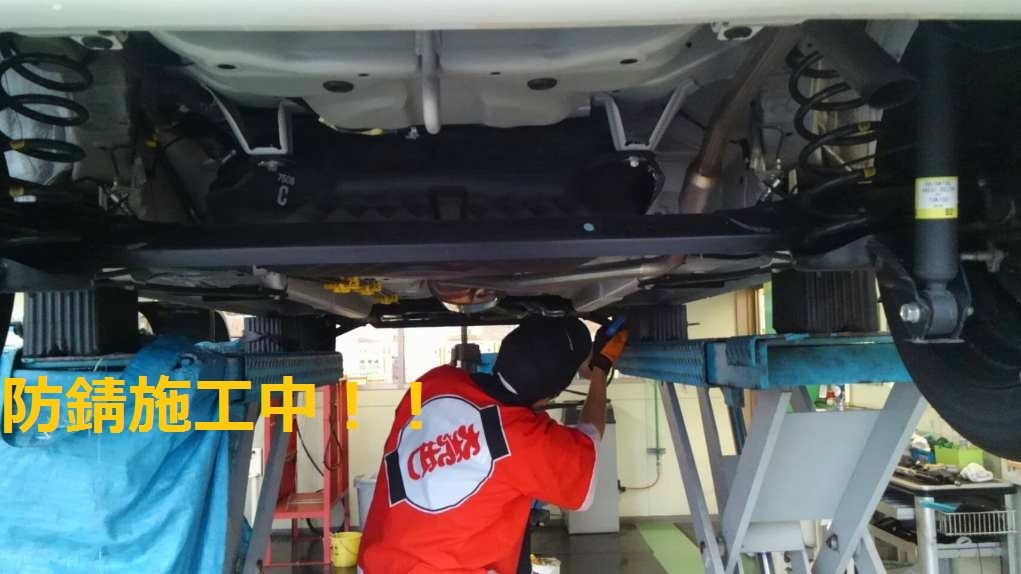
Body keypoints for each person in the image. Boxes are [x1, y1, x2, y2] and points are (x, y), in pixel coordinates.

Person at [358, 317, 629, 574]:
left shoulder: (430, 383)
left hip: (377, 564)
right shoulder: (527, 442)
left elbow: (411, 414)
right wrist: (600, 370)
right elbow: (589, 440)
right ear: (548, 397)